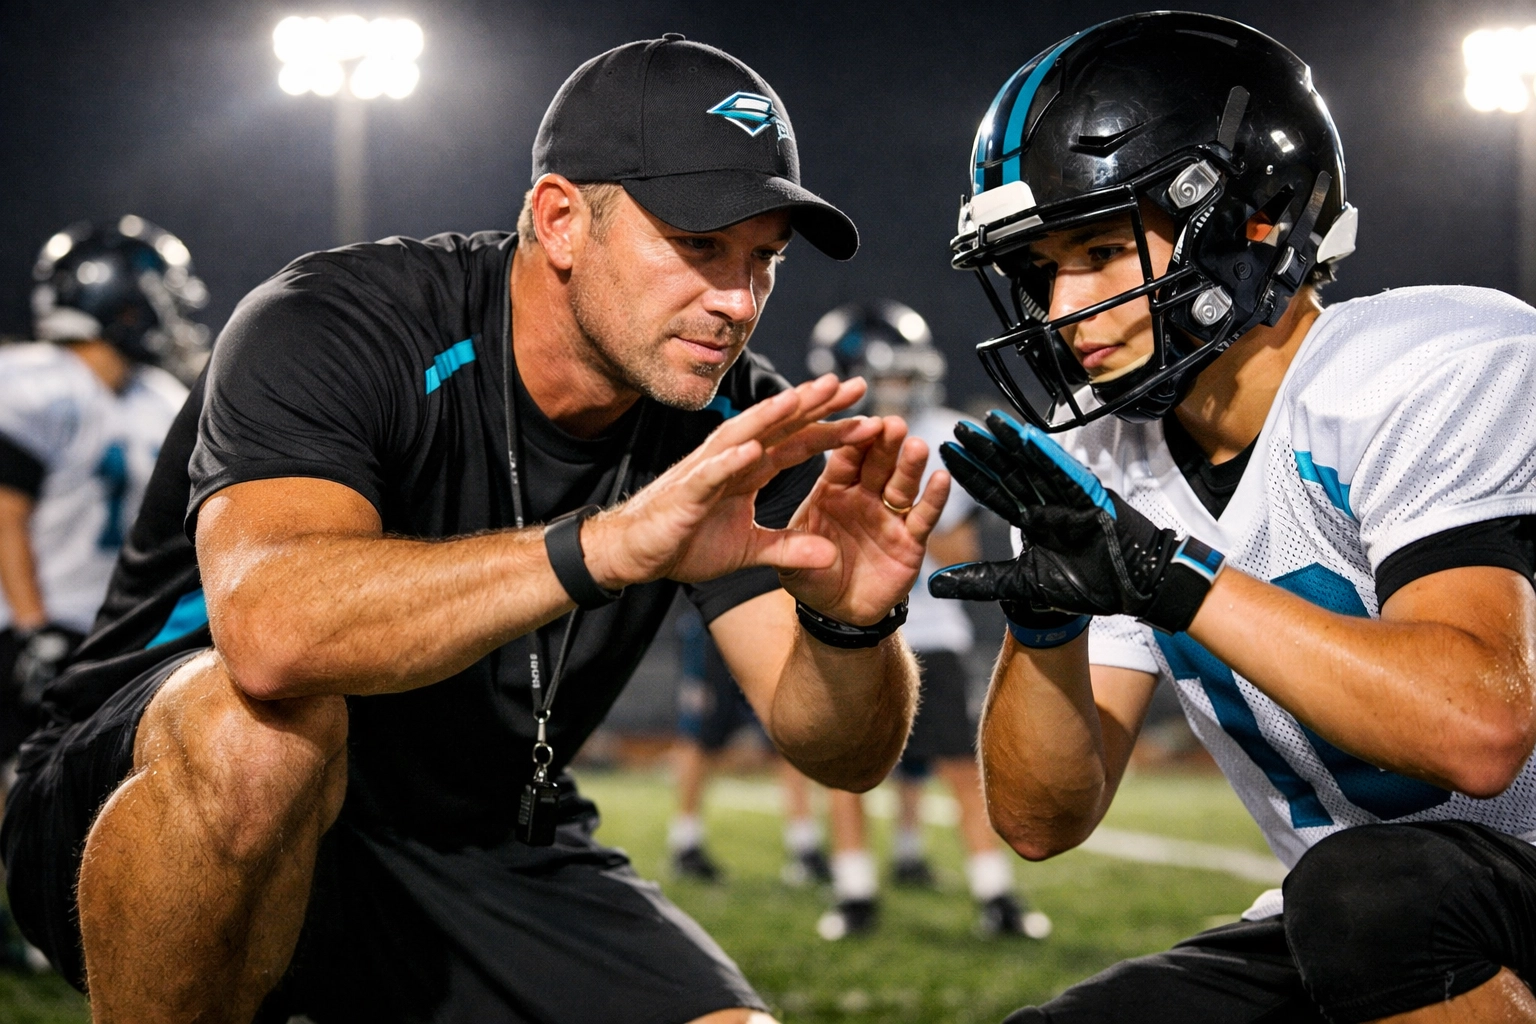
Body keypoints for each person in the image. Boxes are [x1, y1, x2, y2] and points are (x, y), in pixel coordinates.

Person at [0, 36, 950, 1024]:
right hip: (149, 796)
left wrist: (851, 623)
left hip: (482, 835)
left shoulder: (732, 421)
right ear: (562, 219)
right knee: (264, 740)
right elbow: (273, 638)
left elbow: (838, 752)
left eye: (763, 261)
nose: (735, 300)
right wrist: (601, 545)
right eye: (699, 245)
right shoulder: (339, 322)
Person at [930, 12, 1536, 1023]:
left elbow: (1477, 727)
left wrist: (1172, 575)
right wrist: (1046, 627)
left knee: (1372, 895)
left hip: (1451, 891)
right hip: (1355, 921)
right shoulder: (1104, 461)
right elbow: (1041, 821)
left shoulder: (1427, 365)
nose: (1059, 306)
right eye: (1038, 270)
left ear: (1249, 221)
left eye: (1096, 249)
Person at [807, 301, 1049, 941]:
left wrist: (902, 518)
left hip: (933, 634)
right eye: (886, 377)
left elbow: (963, 553)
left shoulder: (947, 435)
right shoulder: (826, 442)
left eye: (906, 377)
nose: (900, 391)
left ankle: (994, 894)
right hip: (856, 632)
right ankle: (855, 890)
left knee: (960, 769)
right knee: (851, 770)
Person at [0, 217, 204, 766]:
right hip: (29, 630)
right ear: (120, 294)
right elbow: (4, 515)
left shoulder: (159, 397)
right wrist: (31, 627)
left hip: (109, 631)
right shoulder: (32, 381)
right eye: (160, 293)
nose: (172, 311)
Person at [667, 604, 831, 887]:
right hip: (714, 619)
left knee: (790, 730)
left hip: (770, 621)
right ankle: (685, 841)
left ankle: (805, 845)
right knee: (699, 734)